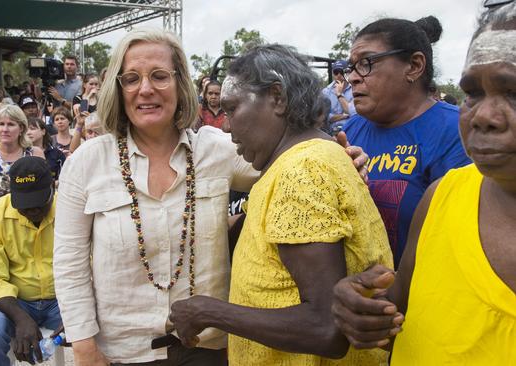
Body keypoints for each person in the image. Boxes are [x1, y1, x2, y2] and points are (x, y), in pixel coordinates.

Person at [53, 28, 371, 366]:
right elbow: (70, 266)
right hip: (122, 351)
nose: (145, 89)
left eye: (159, 76)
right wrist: (85, 347)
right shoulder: (86, 163)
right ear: (118, 89)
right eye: (131, 79)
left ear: (180, 83)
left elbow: (293, 161)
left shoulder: (217, 148)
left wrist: (337, 155)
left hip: (209, 351)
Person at [169, 44, 392, 366]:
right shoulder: (298, 163)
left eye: (232, 109)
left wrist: (209, 311)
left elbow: (326, 329)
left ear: (277, 98)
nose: (226, 126)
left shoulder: (302, 172)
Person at [331, 2, 516, 364]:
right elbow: (402, 306)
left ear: (415, 67)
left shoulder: (445, 134)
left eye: (513, 92)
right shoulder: (443, 196)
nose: (484, 117)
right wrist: (355, 301)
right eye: (473, 94)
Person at [342, 15, 472, 266]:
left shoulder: (457, 130)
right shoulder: (351, 129)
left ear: (413, 66)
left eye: (366, 63)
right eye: (351, 68)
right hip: (358, 296)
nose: (354, 77)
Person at [0, 156, 64, 365]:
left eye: (39, 203)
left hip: (64, 297)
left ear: (52, 187)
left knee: (103, 328)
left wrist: (79, 313)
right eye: (24, 204)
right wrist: (20, 318)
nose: (32, 211)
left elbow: (89, 265)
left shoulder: (70, 208)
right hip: (15, 301)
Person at [0, 104, 45, 208]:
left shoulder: (35, 153)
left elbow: (43, 190)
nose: (5, 129)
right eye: (1, 124)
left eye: (11, 124)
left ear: (21, 128)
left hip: (32, 212)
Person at [27, 117, 66, 181]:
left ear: (43, 131)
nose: (28, 133)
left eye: (32, 129)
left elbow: (64, 178)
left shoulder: (57, 154)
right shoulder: (22, 153)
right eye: (26, 130)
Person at [322, 60, 355, 129]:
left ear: (347, 73)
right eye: (336, 72)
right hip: (331, 133)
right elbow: (324, 116)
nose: (339, 75)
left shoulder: (355, 89)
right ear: (333, 74)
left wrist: (339, 94)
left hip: (351, 130)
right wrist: (344, 116)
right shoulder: (326, 92)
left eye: (341, 72)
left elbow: (353, 113)